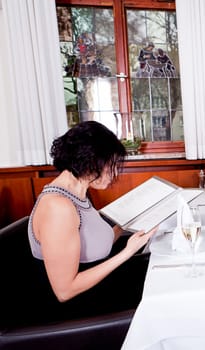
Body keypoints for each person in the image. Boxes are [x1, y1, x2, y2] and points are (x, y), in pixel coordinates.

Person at [27, 121, 157, 321]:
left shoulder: (77, 192)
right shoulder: (58, 207)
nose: (114, 175)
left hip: (98, 288)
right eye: (110, 166)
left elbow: (93, 244)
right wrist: (128, 252)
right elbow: (65, 292)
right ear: (90, 161)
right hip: (81, 308)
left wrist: (126, 224)